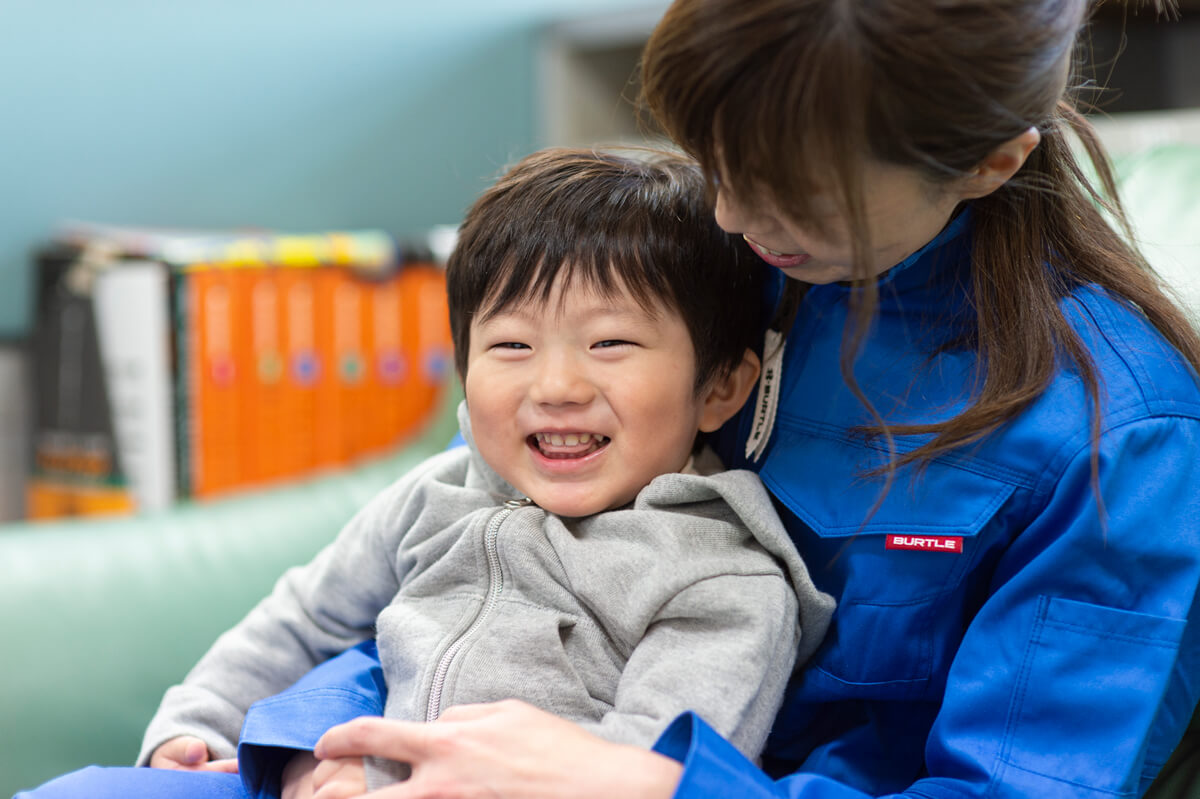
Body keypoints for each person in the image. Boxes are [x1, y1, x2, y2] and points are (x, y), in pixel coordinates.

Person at [274, 1, 1200, 798]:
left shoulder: (1122, 441)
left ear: (990, 163)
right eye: (717, 162)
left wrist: (645, 781)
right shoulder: (713, 276)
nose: (728, 218)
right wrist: (326, 743)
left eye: (795, 194)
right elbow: (470, 558)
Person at [15, 148, 836, 799]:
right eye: (510, 346)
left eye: (610, 344)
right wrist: (196, 727)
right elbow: (303, 617)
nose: (554, 386)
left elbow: (634, 773)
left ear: (722, 385)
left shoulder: (720, 581)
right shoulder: (437, 493)